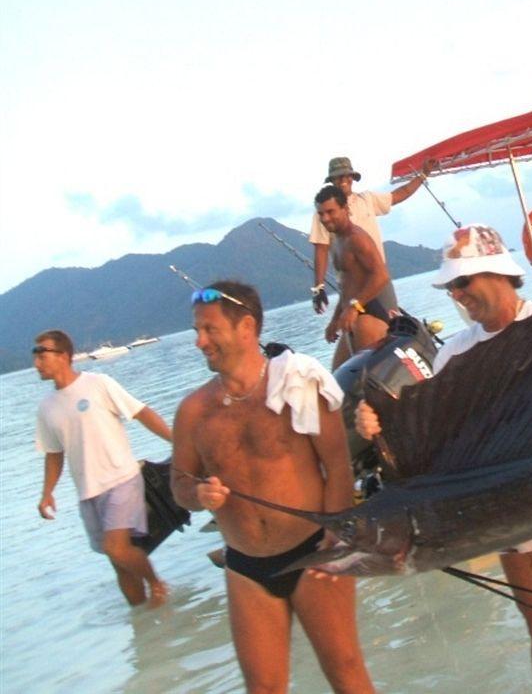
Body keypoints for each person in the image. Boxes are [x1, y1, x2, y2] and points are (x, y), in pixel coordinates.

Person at [355, 225, 532, 694]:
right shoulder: (454, 353)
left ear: (496, 273)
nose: (456, 294)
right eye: (450, 286)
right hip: (511, 512)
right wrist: (375, 425)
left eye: (462, 282)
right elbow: (435, 439)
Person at [170, 281, 374, 694]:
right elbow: (179, 484)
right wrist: (198, 495)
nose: (199, 341)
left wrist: (335, 536)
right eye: (197, 331)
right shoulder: (193, 411)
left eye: (209, 330)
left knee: (346, 673)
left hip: (313, 549)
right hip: (246, 566)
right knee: (263, 687)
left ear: (246, 327)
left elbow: (337, 465)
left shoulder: (296, 387)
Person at [33, 329, 173, 608]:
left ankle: (157, 584)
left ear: (63, 356)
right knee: (118, 563)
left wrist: (177, 441)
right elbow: (54, 454)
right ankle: (141, 625)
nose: (36, 360)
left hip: (121, 479)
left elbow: (140, 412)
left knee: (116, 547)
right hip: (88, 491)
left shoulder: (98, 383)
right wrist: (47, 493)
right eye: (34, 354)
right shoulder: (46, 408)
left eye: (42, 353)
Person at [309, 155, 435, 314]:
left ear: (352, 178)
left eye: (348, 175)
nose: (344, 179)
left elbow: (399, 194)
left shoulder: (367, 199)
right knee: (355, 328)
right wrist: (319, 288)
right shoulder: (323, 213)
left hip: (377, 277)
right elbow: (321, 249)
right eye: (339, 176)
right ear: (332, 180)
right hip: (350, 284)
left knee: (393, 325)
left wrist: (423, 174)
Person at [315, 182, 397, 368]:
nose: (325, 218)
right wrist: (335, 319)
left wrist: (354, 307)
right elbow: (347, 286)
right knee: (336, 382)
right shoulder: (337, 241)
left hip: (368, 316)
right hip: (351, 316)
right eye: (321, 214)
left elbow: (381, 275)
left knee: (368, 380)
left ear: (345, 208)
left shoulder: (357, 238)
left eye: (330, 211)